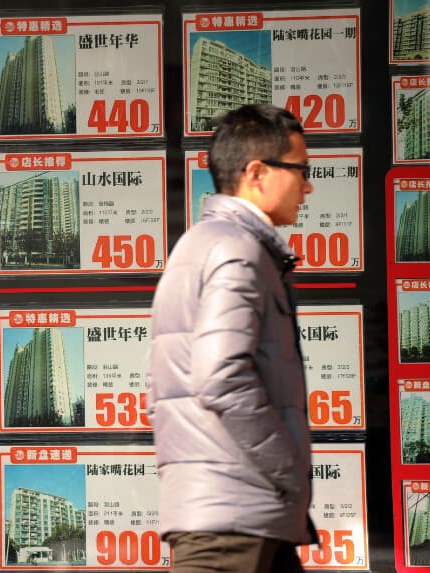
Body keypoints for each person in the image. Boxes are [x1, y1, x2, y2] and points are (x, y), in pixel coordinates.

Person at [147, 103, 317, 573]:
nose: (308, 186)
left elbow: (162, 384)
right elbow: (220, 377)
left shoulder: (204, 244)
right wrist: (286, 470)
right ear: (257, 173)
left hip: (241, 517)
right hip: (234, 526)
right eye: (301, 169)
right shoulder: (237, 249)